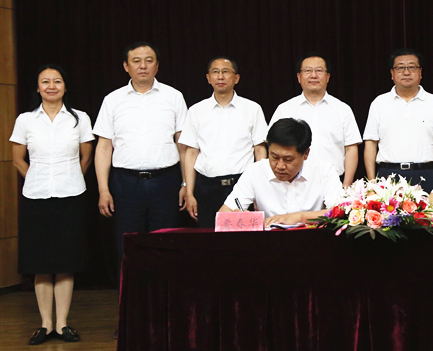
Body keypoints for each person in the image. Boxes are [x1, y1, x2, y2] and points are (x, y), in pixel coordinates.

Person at [10, 65, 94, 345]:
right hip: (36, 198)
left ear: (65, 87)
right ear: (38, 88)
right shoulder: (25, 120)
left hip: (71, 196)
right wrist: (37, 178)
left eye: (57, 81)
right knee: (41, 263)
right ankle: (45, 324)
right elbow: (18, 159)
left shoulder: (79, 118)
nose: (51, 86)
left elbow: (86, 157)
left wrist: (68, 178)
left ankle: (62, 323)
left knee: (66, 261)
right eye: (45, 82)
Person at [93, 42, 188, 276]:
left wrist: (186, 184)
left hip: (166, 181)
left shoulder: (174, 96)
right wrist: (103, 190)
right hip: (126, 183)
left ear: (157, 65)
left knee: (166, 244)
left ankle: (165, 295)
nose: (142, 66)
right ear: (126, 66)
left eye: (148, 60)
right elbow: (104, 147)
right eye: (136, 61)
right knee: (128, 246)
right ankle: (130, 297)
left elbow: (184, 146)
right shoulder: (113, 100)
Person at [179, 57, 268, 227]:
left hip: (242, 185)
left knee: (244, 238)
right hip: (207, 187)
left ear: (236, 78)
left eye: (226, 72)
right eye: (215, 72)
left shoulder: (252, 109)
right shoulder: (196, 111)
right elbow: (191, 153)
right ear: (208, 78)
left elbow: (260, 150)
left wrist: (260, 189)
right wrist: (189, 193)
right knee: (208, 238)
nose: (220, 77)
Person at [219, 118, 342, 227]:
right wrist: (238, 217)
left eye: (288, 159)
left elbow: (340, 212)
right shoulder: (254, 172)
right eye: (274, 157)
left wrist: (298, 217)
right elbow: (223, 213)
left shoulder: (324, 171)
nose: (280, 166)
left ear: (306, 154)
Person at [363, 49, 433, 193]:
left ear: (420, 72)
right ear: (392, 73)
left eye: (412, 67)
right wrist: (372, 182)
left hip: (426, 175)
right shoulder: (379, 103)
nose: (406, 72)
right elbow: (370, 143)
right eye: (400, 68)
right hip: (388, 176)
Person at [270, 54, 362, 187]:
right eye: (308, 70)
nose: (313, 75)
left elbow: (351, 148)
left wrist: (346, 185)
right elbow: (273, 146)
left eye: (319, 71)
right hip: (293, 183)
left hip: (333, 182)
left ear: (328, 77)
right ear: (299, 77)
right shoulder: (285, 109)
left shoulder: (343, 109)